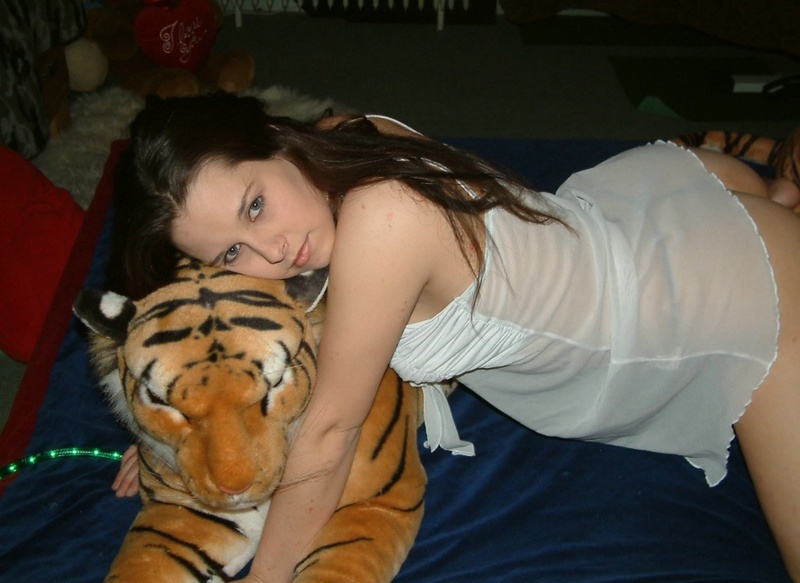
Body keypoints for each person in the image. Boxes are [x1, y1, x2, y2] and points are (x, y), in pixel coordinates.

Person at [111, 91, 800, 582]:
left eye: (256, 205)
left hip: (735, 297)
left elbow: (329, 433)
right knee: (756, 201)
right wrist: (187, 427)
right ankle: (777, 196)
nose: (273, 250)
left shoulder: (383, 222)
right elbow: (223, 313)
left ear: (270, 137)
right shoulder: (345, 133)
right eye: (232, 252)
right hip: (647, 215)